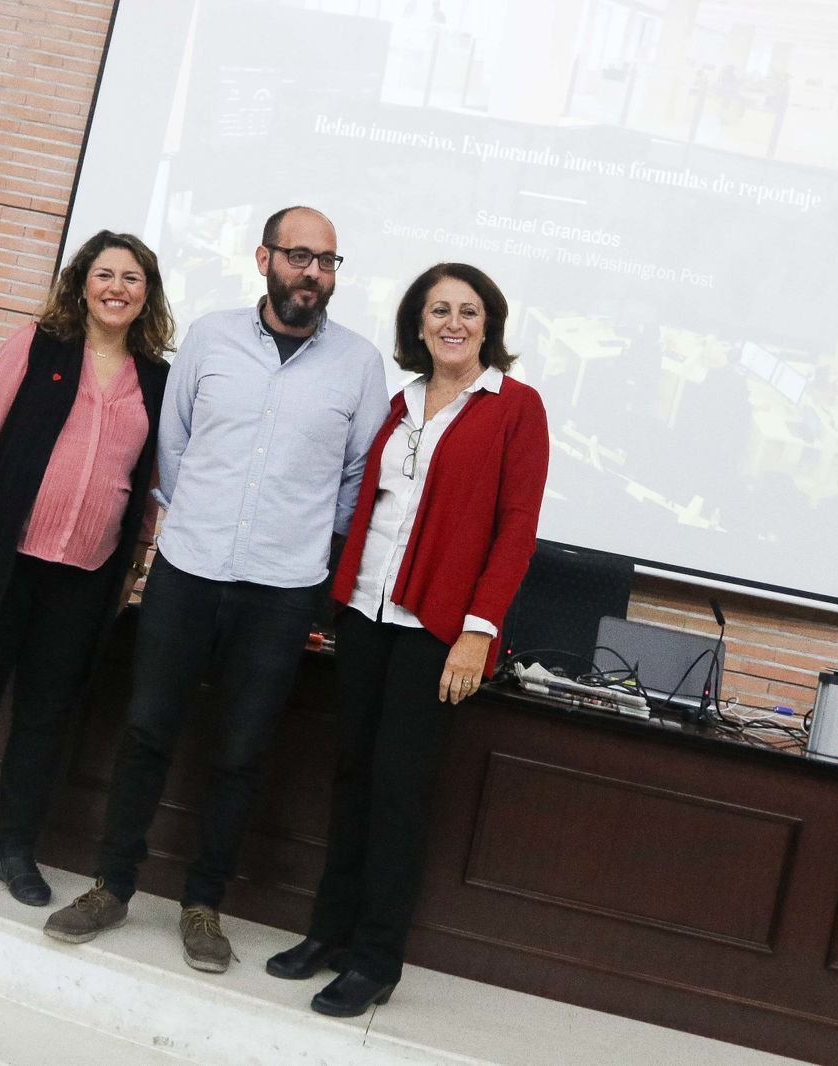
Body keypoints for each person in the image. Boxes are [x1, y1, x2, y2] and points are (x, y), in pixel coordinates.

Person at [43, 207, 391, 972]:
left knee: (239, 752)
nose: (313, 274)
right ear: (264, 258)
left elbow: (358, 477)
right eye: (300, 257)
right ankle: (112, 885)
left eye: (328, 262)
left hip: (282, 590)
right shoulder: (209, 336)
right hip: (189, 570)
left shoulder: (360, 365)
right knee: (146, 732)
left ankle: (204, 905)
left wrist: (299, 538)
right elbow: (174, 445)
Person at [266, 262, 549, 1015]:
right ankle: (327, 933)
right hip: (365, 614)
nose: (452, 322)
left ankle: (375, 958)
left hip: (437, 629)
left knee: (399, 792)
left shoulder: (516, 407)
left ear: (489, 325)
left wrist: (476, 634)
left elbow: (516, 531)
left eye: (468, 311)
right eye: (437, 310)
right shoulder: (398, 403)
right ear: (418, 325)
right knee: (352, 780)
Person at [0, 230, 173, 906]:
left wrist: (134, 567)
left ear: (148, 295)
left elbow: (147, 486)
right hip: (1, 561)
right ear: (81, 282)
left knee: (46, 717)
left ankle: (15, 849)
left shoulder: (160, 380)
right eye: (105, 273)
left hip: (86, 577)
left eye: (132, 278)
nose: (117, 288)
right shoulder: (36, 345)